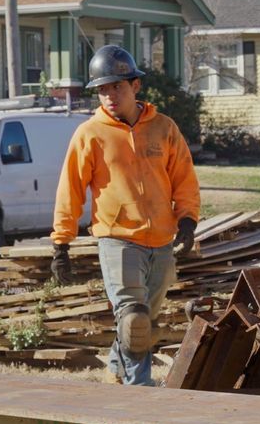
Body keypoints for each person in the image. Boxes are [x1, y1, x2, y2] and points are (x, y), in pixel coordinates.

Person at [50, 45, 200, 386]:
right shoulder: (90, 134)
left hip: (162, 239)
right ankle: (139, 390)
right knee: (134, 320)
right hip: (117, 239)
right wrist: (61, 242)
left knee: (143, 323)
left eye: (116, 86)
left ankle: (116, 371)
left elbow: (184, 178)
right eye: (102, 89)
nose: (109, 96)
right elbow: (70, 188)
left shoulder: (164, 128)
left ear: (135, 85)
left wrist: (188, 221)